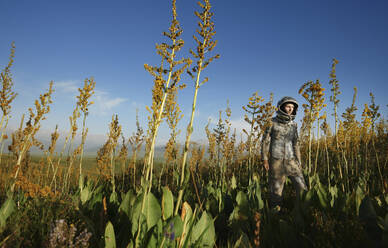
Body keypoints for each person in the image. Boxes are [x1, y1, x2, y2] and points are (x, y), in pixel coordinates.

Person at [261, 96, 307, 211]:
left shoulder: (294, 125)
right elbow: (265, 142)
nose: (290, 109)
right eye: (288, 106)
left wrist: (299, 161)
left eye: (292, 107)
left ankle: (304, 211)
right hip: (276, 161)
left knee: (302, 187)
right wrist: (265, 159)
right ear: (281, 107)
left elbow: (296, 143)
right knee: (276, 192)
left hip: (291, 161)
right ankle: (276, 217)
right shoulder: (271, 122)